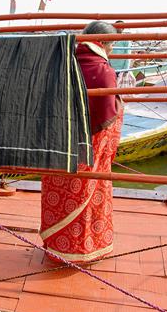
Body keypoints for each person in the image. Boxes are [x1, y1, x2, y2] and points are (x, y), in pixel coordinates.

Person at [39, 21, 123, 263]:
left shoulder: (63, 61)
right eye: (113, 46)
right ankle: (84, 251)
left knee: (59, 193)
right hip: (90, 149)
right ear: (105, 43)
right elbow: (108, 114)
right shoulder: (103, 70)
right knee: (91, 191)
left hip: (59, 142)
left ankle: (57, 246)